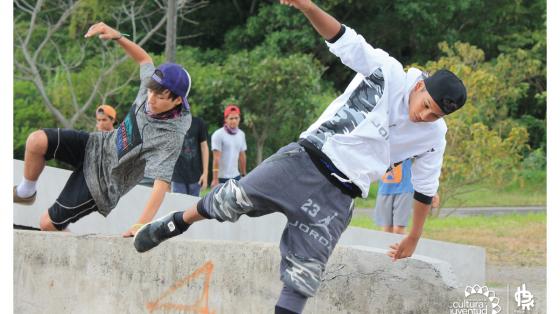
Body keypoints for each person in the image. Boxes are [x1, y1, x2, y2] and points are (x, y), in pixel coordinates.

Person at [134, 1, 467, 313]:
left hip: (339, 198)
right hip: (304, 161)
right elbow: (342, 38)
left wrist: (413, 236)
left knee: (303, 277)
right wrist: (307, 5)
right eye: (426, 107)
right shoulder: (387, 71)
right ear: (420, 87)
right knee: (230, 199)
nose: (425, 116)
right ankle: (175, 222)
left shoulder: (434, 136)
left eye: (435, 116)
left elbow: (424, 188)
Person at [13, 22, 192, 237]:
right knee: (36, 141)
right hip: (96, 144)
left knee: (47, 225)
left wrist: (141, 224)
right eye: (151, 93)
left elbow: (161, 183)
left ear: (177, 101)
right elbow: (145, 59)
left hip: (103, 183)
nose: (151, 100)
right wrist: (118, 36)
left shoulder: (171, 136)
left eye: (160, 98)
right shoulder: (152, 87)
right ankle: (25, 192)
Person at [171, 116, 209, 196]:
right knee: (178, 207)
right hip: (177, 176)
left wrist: (205, 173)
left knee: (194, 207)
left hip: (196, 177)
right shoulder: (171, 122)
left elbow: (204, 147)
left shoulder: (198, 122)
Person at [210, 104, 247, 187]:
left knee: (236, 200)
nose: (234, 121)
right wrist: (215, 179)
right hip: (221, 178)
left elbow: (242, 156)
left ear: (239, 119)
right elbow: (216, 158)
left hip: (236, 176)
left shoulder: (241, 134)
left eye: (236, 118)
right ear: (225, 119)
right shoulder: (218, 134)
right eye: (231, 118)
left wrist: (244, 174)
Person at [374, 159, 414, 234]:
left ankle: (403, 245)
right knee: (387, 229)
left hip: (404, 188)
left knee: (398, 229)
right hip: (385, 189)